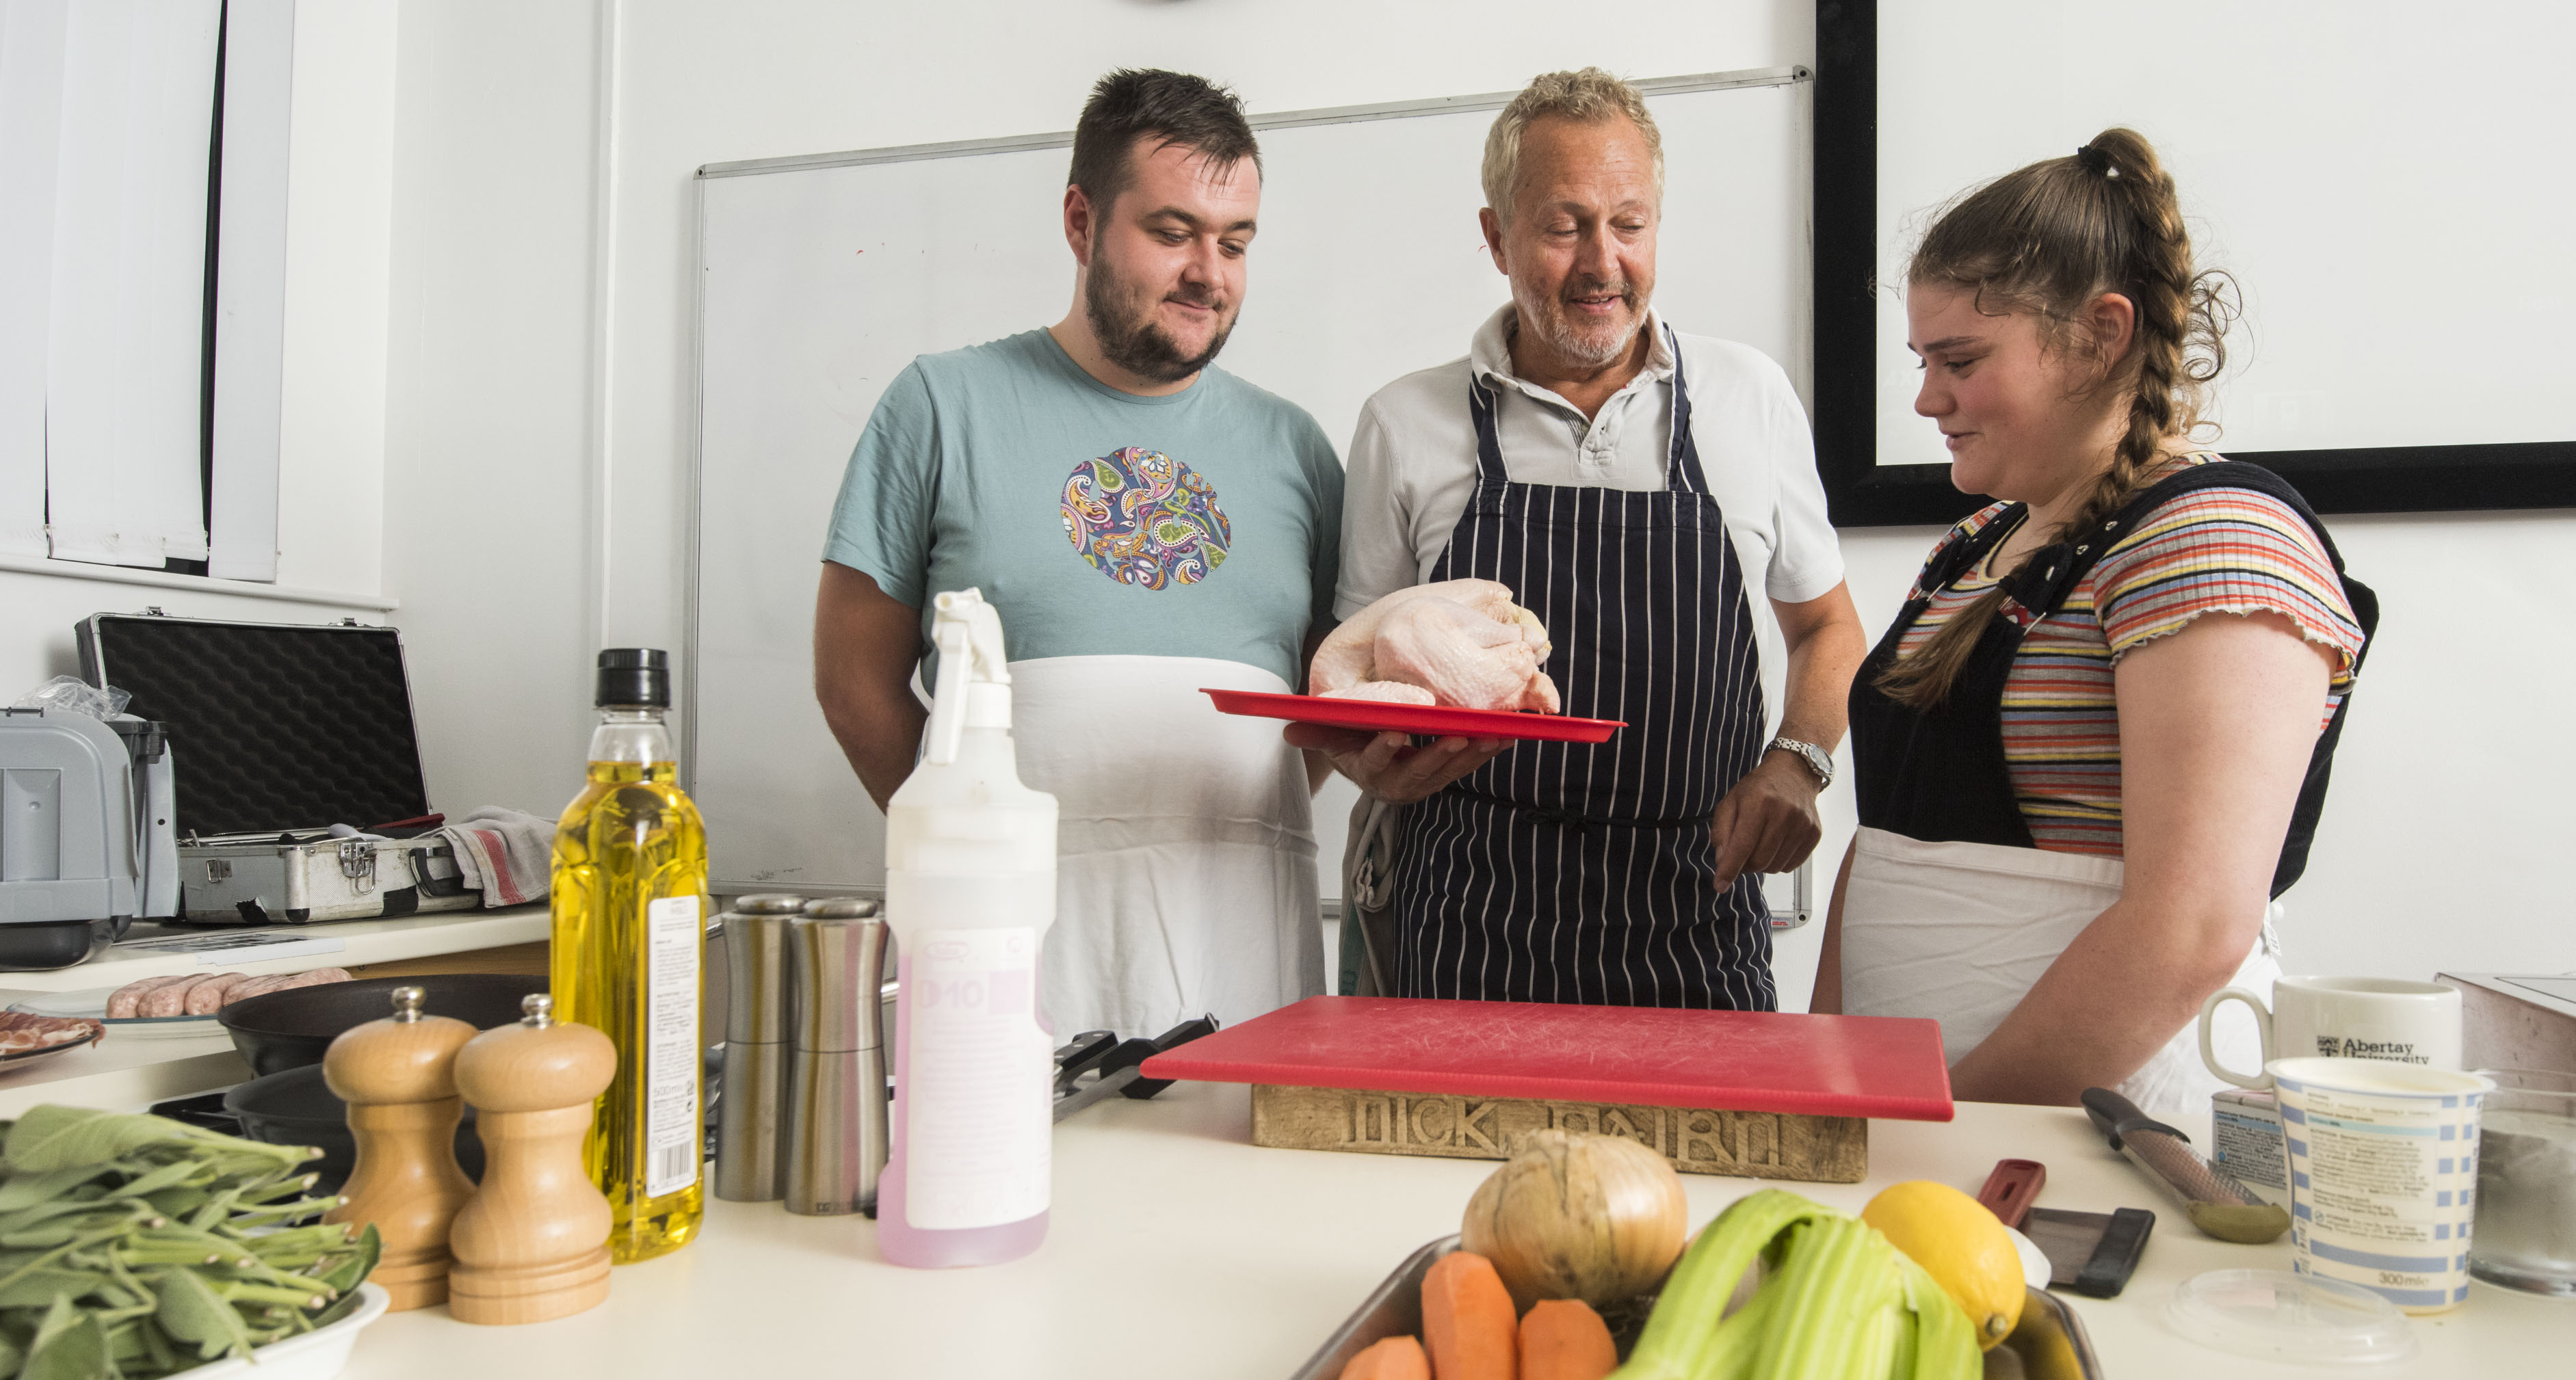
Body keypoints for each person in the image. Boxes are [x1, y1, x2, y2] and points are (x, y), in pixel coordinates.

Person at [1813, 129, 2377, 1118]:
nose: (1924, 397)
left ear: (2100, 334)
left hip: (2083, 1126)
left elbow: (2191, 927)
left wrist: (1954, 1125)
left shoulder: (2215, 546)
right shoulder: (1979, 541)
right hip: (1906, 1114)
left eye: (1960, 360)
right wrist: (1829, 1081)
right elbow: (1886, 845)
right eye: (1922, 360)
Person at [1308, 68, 1865, 1009]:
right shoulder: (1405, 422)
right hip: (1473, 915)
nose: (1602, 262)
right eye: (1564, 226)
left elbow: (1827, 627)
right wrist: (1367, 761)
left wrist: (1799, 760)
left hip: (1696, 913)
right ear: (1496, 236)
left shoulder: (1747, 397)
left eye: (1630, 223)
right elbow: (1353, 678)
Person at [814, 69, 1343, 1037]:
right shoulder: (939, 406)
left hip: (1248, 955)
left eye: (1234, 242)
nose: (1209, 274)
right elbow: (854, 686)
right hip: (1007, 961)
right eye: (1172, 232)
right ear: (1079, 221)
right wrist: (976, 844)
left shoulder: (1297, 448)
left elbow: (1319, 716)